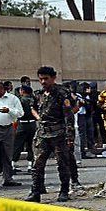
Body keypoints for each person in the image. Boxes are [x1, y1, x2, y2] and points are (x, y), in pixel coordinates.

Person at [26, 66, 75, 203]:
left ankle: (64, 191)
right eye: (41, 79)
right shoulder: (38, 94)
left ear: (53, 78)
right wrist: (39, 118)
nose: (43, 82)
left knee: (62, 164)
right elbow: (33, 108)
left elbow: (68, 117)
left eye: (46, 79)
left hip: (59, 134)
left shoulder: (62, 93)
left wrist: (70, 137)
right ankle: (35, 192)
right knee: (37, 164)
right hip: (42, 134)